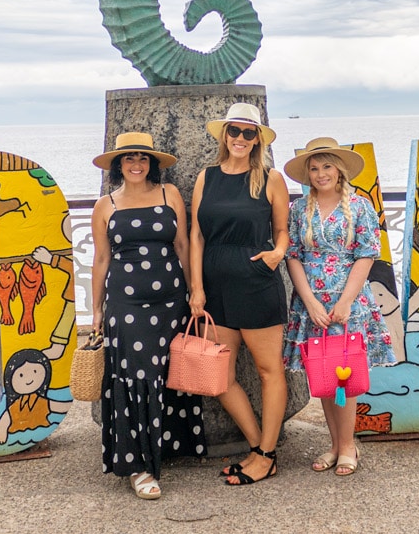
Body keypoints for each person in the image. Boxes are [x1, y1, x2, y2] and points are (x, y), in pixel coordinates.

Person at [90, 132, 205, 499]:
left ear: (152, 163)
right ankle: (138, 466)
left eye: (142, 157)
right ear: (118, 165)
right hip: (125, 304)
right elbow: (101, 259)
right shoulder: (105, 205)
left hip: (171, 301)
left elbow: (183, 245)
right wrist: (95, 310)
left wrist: (193, 293)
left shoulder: (169, 194)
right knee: (135, 376)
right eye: (128, 158)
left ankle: (165, 447)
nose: (136, 164)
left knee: (169, 374)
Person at [283, 137, 397, 476]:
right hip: (312, 302)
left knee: (342, 377)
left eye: (327, 167)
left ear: (339, 169)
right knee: (322, 373)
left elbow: (366, 254)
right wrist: (309, 301)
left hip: (347, 302)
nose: (321, 174)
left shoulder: (360, 207)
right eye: (314, 168)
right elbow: (293, 255)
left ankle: (348, 447)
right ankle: (334, 444)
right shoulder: (298, 210)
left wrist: (345, 301)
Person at [189, 103, 289, 486]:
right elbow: (197, 235)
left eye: (250, 133)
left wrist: (276, 255)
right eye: (235, 131)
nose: (241, 139)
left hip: (256, 282)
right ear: (224, 134)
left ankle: (264, 455)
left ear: (258, 139)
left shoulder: (270, 178)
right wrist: (196, 288)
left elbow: (282, 230)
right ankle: (260, 448)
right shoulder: (206, 177)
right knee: (220, 377)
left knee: (268, 371)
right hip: (215, 288)